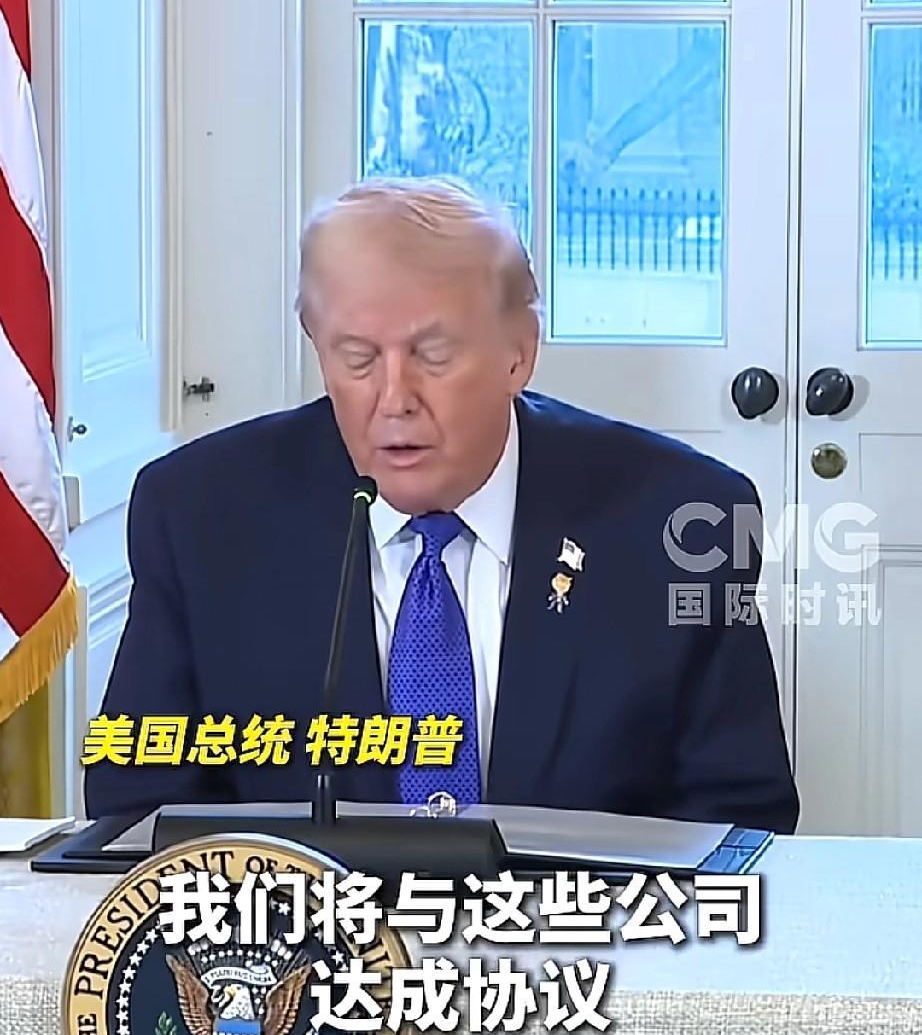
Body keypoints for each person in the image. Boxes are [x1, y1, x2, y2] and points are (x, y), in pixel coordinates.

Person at [83, 177, 799, 833]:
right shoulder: (201, 515)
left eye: (433, 355)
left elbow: (739, 816)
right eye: (358, 359)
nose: (394, 399)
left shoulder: (681, 519)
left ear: (518, 353)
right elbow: (139, 805)